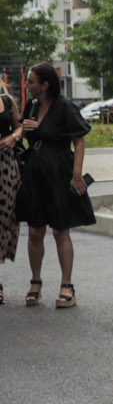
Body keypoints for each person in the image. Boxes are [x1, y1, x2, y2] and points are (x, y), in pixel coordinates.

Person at [16, 62, 93, 309]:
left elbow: (79, 142)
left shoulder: (64, 106)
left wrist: (77, 175)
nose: (27, 86)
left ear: (45, 84)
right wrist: (24, 130)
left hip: (59, 170)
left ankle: (67, 285)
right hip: (34, 171)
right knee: (35, 230)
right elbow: (23, 134)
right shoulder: (32, 105)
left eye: (31, 81)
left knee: (61, 230)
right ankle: (35, 282)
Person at [0, 82, 21, 303]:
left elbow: (20, 127)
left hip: (5, 168)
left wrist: (14, 137)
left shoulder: (7, 101)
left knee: (3, 221)